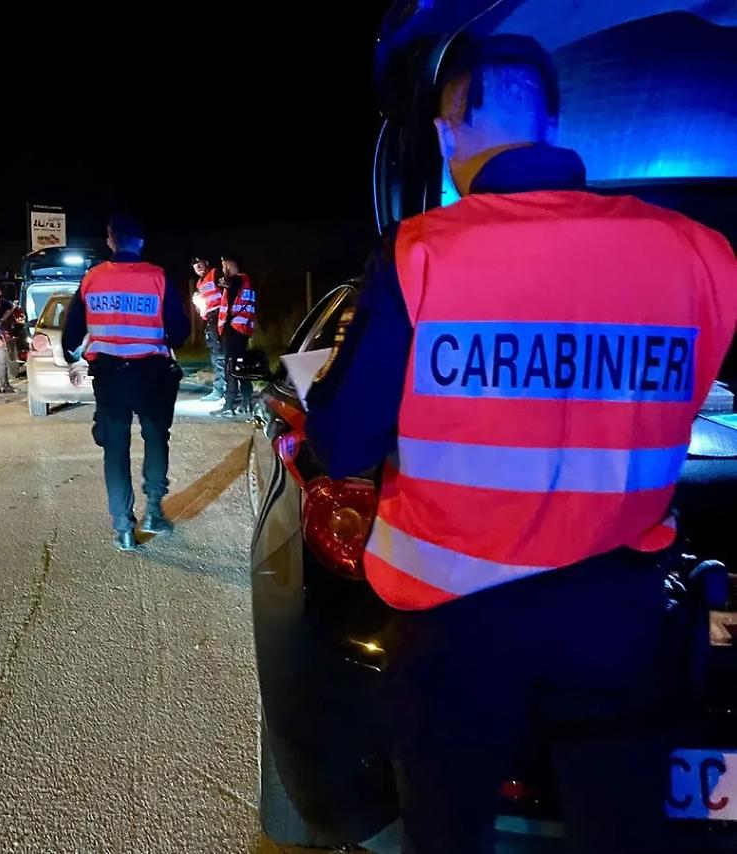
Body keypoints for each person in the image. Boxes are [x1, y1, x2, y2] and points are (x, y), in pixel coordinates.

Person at [305, 34, 737, 854]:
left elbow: (345, 440)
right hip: (618, 614)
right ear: (554, 121)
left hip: (458, 624)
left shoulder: (420, 253)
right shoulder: (701, 254)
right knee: (622, 831)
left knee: (448, 833)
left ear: (445, 133)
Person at [62, 214, 190, 552]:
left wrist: (76, 359)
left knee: (115, 450)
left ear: (110, 240)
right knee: (156, 438)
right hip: (151, 375)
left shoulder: (92, 279)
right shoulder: (157, 277)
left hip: (109, 379)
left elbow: (71, 334)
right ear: (142, 242)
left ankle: (122, 528)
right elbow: (180, 332)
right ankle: (154, 512)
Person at [213, 255, 256, 418]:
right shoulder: (246, 281)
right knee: (241, 366)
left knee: (230, 367)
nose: (223, 268)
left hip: (233, 329)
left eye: (224, 265)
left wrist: (225, 282)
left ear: (229, 264)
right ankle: (246, 402)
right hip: (243, 329)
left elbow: (230, 285)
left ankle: (229, 404)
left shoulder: (237, 280)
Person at [190, 256, 225, 402]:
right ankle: (220, 389)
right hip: (210, 319)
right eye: (194, 265)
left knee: (221, 354)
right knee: (215, 354)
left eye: (200, 263)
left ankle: (222, 390)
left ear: (207, 263)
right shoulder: (199, 283)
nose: (197, 266)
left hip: (221, 316)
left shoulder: (215, 273)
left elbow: (226, 292)